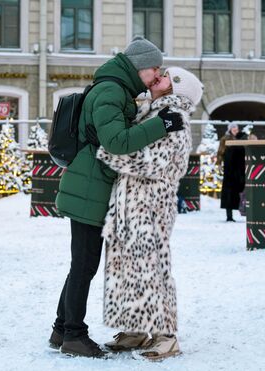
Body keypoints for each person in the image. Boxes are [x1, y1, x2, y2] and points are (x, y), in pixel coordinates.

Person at [49, 37, 185, 358]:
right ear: (140, 67)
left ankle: (60, 329)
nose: (156, 75)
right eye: (154, 68)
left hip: (90, 186)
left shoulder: (117, 89)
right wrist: (160, 124)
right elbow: (117, 142)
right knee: (84, 265)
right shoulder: (111, 91)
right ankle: (73, 335)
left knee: (80, 264)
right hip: (90, 189)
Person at [96, 67, 204, 360]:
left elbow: (154, 163)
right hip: (129, 203)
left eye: (169, 77)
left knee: (152, 268)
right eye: (163, 72)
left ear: (177, 90)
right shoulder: (149, 113)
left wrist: (110, 152)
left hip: (151, 204)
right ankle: (135, 327)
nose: (160, 76)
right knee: (127, 266)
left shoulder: (175, 118)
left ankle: (166, 335)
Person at [217, 123, 246, 222]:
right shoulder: (225, 138)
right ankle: (229, 216)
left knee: (241, 191)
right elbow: (220, 151)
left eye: (236, 128)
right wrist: (219, 163)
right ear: (230, 129)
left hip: (240, 169)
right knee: (229, 192)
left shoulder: (242, 137)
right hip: (230, 169)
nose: (235, 129)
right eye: (233, 127)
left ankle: (244, 211)